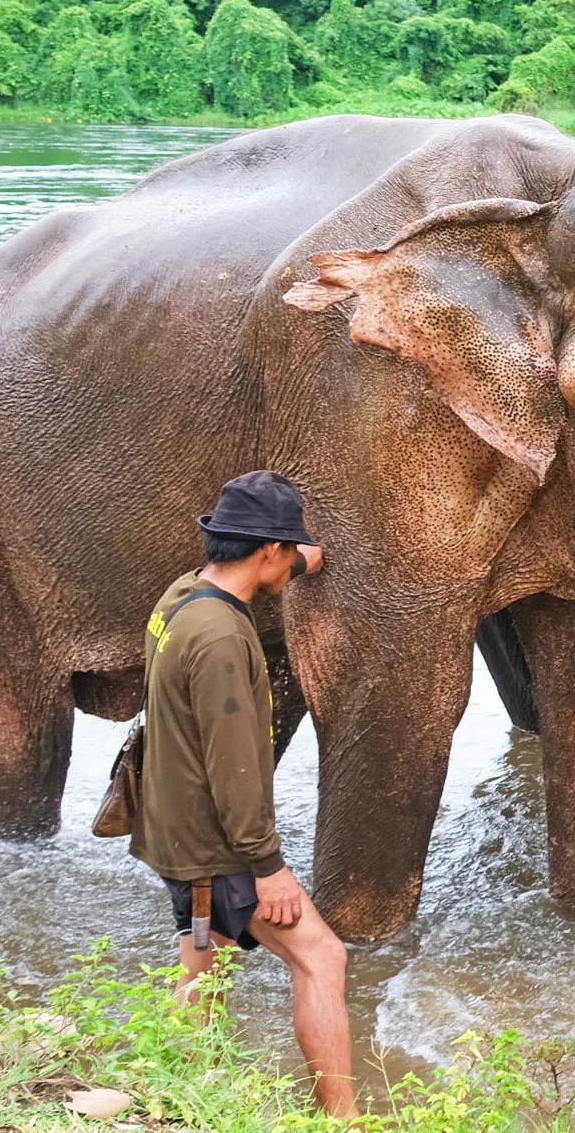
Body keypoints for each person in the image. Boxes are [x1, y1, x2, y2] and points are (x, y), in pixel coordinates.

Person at [131, 470, 355, 1116]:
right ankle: (345, 1122)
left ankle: (181, 1099)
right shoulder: (225, 642)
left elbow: (262, 566)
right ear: (266, 552)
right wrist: (270, 869)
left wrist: (302, 561)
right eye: (288, 550)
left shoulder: (180, 598)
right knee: (322, 958)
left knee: (206, 967)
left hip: (172, 827)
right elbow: (236, 773)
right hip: (217, 846)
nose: (294, 558)